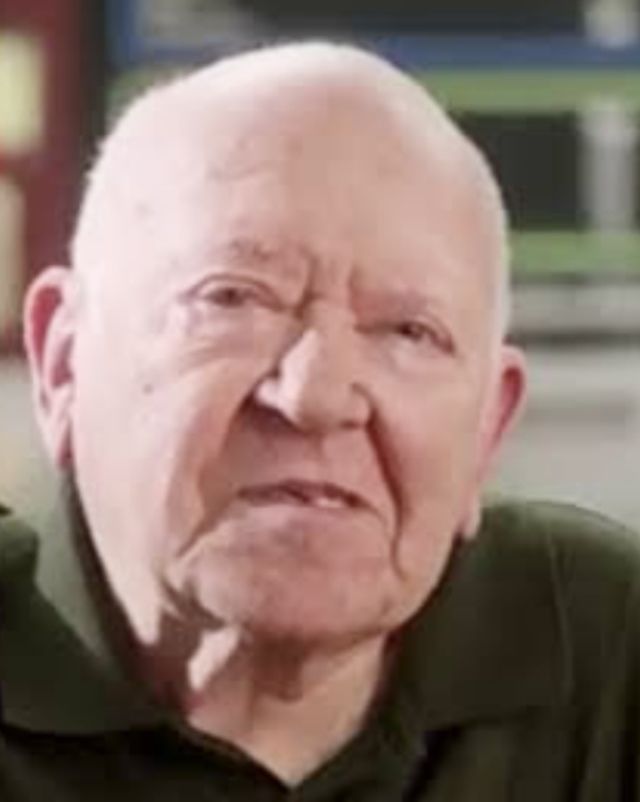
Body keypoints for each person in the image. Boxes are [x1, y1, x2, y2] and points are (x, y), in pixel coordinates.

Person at [1, 41, 640, 801]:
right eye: (232, 298)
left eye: (410, 333)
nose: (317, 397)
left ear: (486, 432)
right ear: (63, 362)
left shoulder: (608, 653)